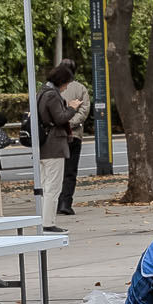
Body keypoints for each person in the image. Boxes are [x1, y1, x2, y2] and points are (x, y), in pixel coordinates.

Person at [37, 62, 76, 230]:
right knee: (53, 186)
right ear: (61, 81)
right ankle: (48, 223)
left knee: (45, 185)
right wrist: (72, 108)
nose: (66, 87)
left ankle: (45, 221)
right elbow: (60, 118)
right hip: (54, 145)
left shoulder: (41, 92)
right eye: (66, 83)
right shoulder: (52, 95)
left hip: (44, 145)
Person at [58, 64, 91, 215]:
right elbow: (84, 111)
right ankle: (66, 202)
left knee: (56, 171)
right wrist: (71, 122)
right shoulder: (80, 88)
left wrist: (61, 122)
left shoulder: (53, 88)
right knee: (70, 171)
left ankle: (55, 202)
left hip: (56, 136)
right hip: (74, 134)